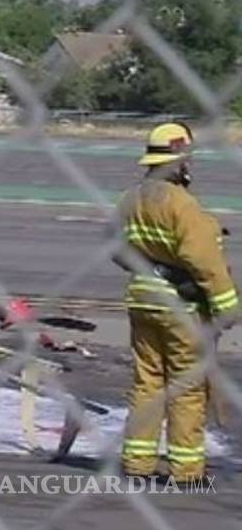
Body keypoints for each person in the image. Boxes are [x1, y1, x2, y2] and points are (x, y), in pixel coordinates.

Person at [113, 122, 240, 483]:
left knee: (147, 383)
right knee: (186, 387)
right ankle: (186, 471)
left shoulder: (129, 199)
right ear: (179, 161)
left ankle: (137, 465)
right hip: (180, 309)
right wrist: (226, 307)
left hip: (141, 300)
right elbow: (204, 262)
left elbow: (117, 249)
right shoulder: (183, 204)